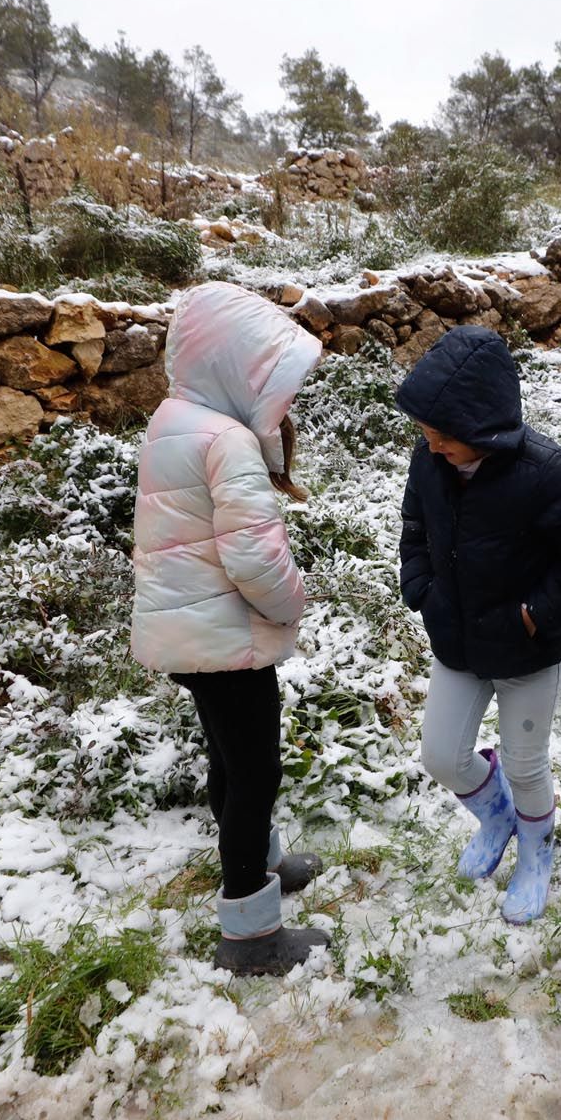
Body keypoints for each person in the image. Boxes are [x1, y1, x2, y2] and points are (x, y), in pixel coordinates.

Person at [132, 281, 327, 976]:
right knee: (255, 769)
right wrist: (292, 601)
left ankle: (260, 859)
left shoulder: (175, 419)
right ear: (238, 368)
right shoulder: (228, 441)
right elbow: (254, 555)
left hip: (191, 633)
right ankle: (250, 927)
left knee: (228, 758)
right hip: (226, 637)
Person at [396, 326, 561, 923]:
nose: (432, 447)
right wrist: (422, 589)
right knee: (441, 754)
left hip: (526, 652)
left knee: (525, 763)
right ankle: (498, 816)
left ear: (483, 428)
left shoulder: (548, 471)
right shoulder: (429, 462)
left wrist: (535, 614)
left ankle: (537, 848)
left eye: (444, 438)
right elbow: (414, 528)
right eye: (427, 436)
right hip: (457, 642)